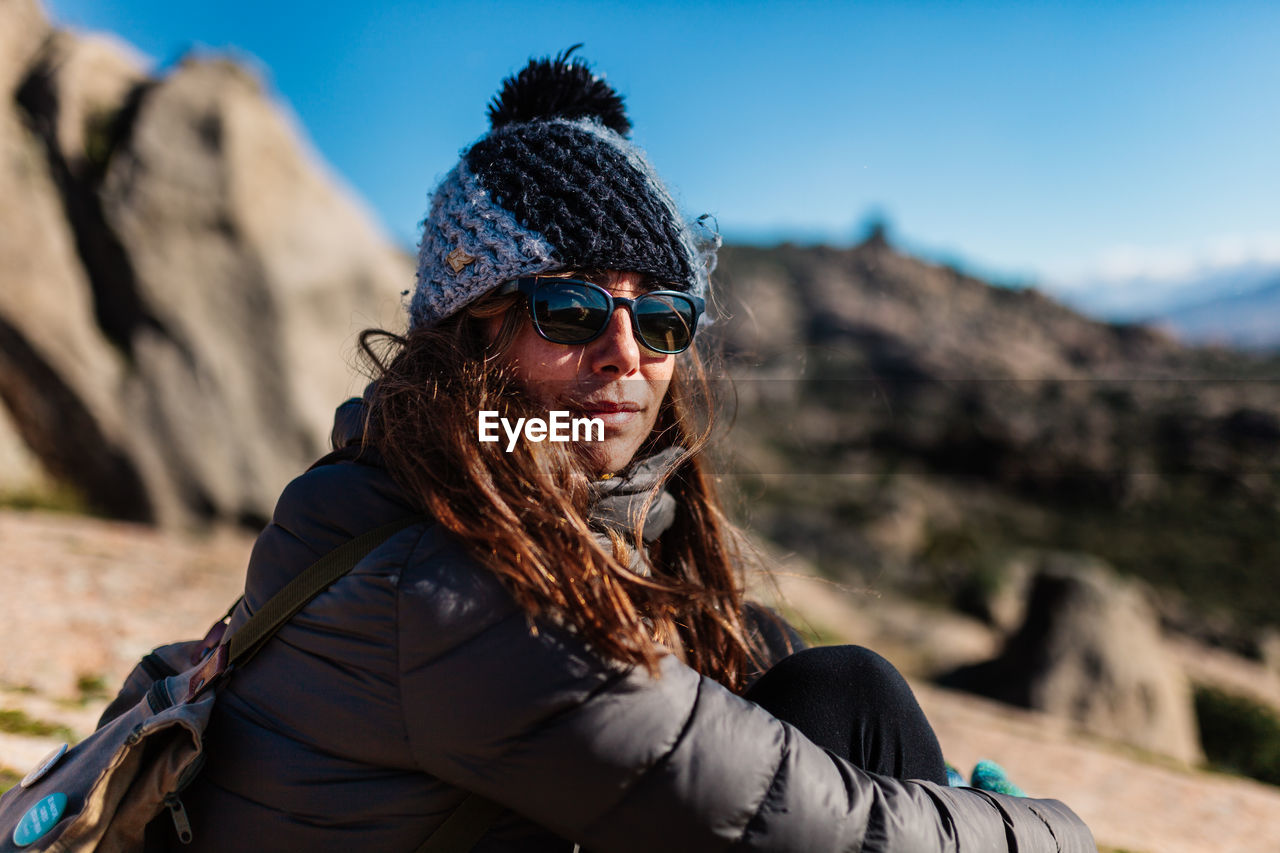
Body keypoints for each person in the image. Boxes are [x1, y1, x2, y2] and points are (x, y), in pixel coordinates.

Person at [178, 49, 1094, 852]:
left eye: (660, 320)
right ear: (471, 333)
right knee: (851, 698)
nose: (627, 353)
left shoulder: (414, 487)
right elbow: (802, 822)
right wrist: (1046, 832)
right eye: (571, 310)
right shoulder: (455, 588)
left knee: (781, 660)